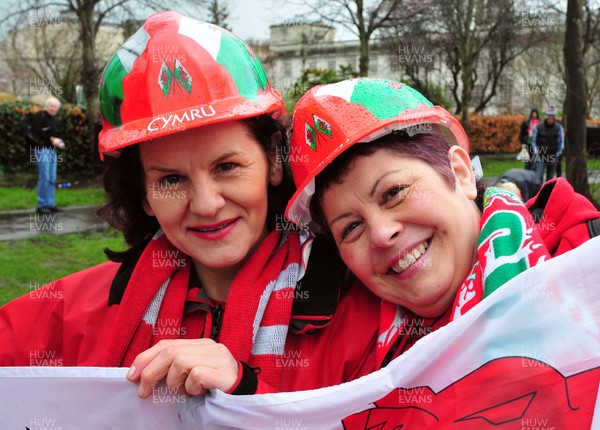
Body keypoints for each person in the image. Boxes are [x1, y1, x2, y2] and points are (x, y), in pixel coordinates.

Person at [0, 12, 379, 397]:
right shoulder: (79, 309)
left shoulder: (366, 311)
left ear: (274, 162)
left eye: (227, 167)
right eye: (171, 179)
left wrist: (246, 395)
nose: (206, 204)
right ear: (144, 195)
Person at [285, 78, 600, 367]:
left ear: (461, 174)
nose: (381, 234)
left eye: (393, 192)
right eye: (351, 228)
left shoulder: (585, 259)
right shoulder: (349, 349)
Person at [22, 96, 65, 214]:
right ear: (46, 106)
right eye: (51, 106)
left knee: (52, 178)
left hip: (52, 151)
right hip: (42, 150)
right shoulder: (39, 116)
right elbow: (36, 132)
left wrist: (57, 141)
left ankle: (50, 204)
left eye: (55, 107)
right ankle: (41, 205)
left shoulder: (54, 119)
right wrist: (51, 139)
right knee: (44, 178)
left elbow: (53, 134)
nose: (53, 108)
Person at [530, 107, 564, 183]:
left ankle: (548, 194)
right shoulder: (538, 127)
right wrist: (536, 152)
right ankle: (538, 193)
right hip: (541, 156)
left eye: (552, 117)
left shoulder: (559, 128)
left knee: (550, 179)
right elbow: (533, 141)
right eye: (549, 116)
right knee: (538, 177)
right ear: (547, 117)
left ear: (554, 117)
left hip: (553, 156)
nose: (550, 118)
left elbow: (561, 143)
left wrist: (558, 153)